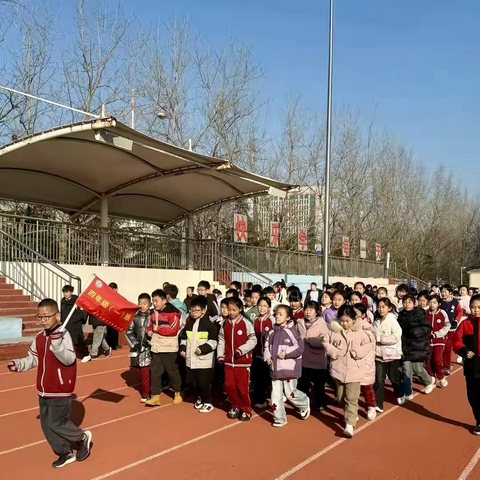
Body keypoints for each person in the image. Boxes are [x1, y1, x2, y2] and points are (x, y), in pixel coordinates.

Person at [7, 299, 92, 468]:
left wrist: (57, 344)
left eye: (47, 316)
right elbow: (33, 358)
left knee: (56, 422)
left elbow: (69, 360)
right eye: (40, 317)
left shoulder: (63, 335)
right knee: (46, 426)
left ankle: (81, 438)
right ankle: (64, 452)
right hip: (43, 390)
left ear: (57, 316)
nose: (43, 320)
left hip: (60, 389)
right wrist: (19, 364)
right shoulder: (39, 337)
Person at [322, 304, 374, 438]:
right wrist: (332, 351)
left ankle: (349, 424)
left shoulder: (359, 332)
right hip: (338, 371)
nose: (345, 324)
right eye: (342, 321)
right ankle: (351, 413)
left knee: (351, 398)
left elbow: (369, 343)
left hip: (355, 371)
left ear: (353, 320)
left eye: (348, 321)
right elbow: (325, 342)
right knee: (340, 397)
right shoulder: (333, 331)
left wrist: (358, 352)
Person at [263, 304, 310, 427]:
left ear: (288, 317)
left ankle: (304, 402)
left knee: (291, 394)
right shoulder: (271, 332)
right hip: (275, 370)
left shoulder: (291, 331)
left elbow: (300, 347)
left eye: (280, 314)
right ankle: (279, 418)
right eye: (276, 314)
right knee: (276, 396)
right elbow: (266, 347)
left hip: (289, 370)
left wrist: (286, 353)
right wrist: (267, 357)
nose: (277, 316)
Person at [217, 297, 257, 421]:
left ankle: (246, 409)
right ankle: (235, 406)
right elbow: (221, 340)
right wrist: (220, 354)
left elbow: (253, 340)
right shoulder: (225, 323)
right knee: (229, 386)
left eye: (234, 310)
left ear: (240, 309)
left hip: (243, 363)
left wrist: (241, 350)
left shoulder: (246, 323)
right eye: (229, 310)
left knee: (242, 389)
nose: (231, 312)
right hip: (229, 362)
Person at [179, 296, 218, 413]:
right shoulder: (189, 324)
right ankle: (200, 397)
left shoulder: (209, 325)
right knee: (192, 382)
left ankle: (208, 401)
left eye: (196, 310)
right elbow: (184, 339)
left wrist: (203, 348)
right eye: (192, 310)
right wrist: (182, 349)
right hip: (191, 359)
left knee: (203, 383)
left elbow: (214, 341)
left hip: (204, 360)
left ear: (203, 311)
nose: (194, 313)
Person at [145, 289, 183, 406]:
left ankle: (177, 393)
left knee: (172, 371)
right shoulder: (153, 313)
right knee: (155, 372)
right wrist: (149, 331)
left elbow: (173, 330)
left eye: (156, 301)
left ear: (164, 300)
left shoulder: (173, 313)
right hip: (156, 347)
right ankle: (155, 396)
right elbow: (149, 326)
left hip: (169, 348)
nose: (154, 303)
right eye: (153, 301)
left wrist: (158, 329)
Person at [397, 294, 434, 401]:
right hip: (406, 347)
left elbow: (427, 327)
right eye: (405, 302)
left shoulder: (419, 314)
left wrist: (416, 332)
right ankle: (408, 392)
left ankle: (428, 382)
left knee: (418, 368)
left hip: (418, 346)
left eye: (409, 302)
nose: (407, 304)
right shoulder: (401, 315)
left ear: (414, 303)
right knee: (406, 370)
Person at [452, 295, 480, 435]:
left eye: (479, 307)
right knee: (473, 396)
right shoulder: (465, 324)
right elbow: (456, 340)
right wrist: (464, 350)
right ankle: (479, 421)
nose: (476, 310)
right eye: (473, 307)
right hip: (471, 365)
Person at [372, 298, 404, 413]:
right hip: (378, 355)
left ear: (389, 308)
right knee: (379, 380)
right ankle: (378, 404)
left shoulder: (393, 321)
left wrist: (380, 339)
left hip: (392, 355)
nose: (381, 309)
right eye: (379, 307)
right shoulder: (375, 321)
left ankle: (400, 393)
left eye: (383, 307)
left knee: (393, 378)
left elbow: (396, 336)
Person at [300, 301, 329, 411]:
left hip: (318, 360)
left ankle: (321, 403)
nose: (308, 312)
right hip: (304, 359)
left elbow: (325, 341)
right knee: (303, 384)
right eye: (306, 309)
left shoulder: (322, 324)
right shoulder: (300, 322)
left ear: (316, 312)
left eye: (311, 310)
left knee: (318, 385)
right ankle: (304, 404)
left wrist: (310, 340)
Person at [125, 293, 153, 402]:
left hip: (150, 348)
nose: (142, 305)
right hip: (137, 349)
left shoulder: (154, 316)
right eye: (140, 303)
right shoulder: (135, 317)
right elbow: (129, 332)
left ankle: (146, 394)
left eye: (144, 303)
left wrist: (149, 342)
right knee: (138, 370)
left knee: (146, 372)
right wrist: (135, 343)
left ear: (149, 304)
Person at [353, 302, 377, 420]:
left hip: (365, 362)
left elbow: (369, 348)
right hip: (353, 363)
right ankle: (353, 411)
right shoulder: (350, 326)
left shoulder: (367, 328)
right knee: (353, 390)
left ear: (363, 315)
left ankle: (371, 406)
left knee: (366, 388)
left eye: (356, 313)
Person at [252, 297, 274, 408]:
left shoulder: (272, 320)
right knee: (257, 378)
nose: (262, 308)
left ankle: (274, 399)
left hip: (269, 355)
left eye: (265, 306)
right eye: (260, 305)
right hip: (256, 354)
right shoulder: (255, 320)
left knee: (268, 378)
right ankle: (261, 400)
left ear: (269, 308)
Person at [425, 294, 450, 388]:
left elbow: (447, 326)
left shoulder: (442, 313)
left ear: (439, 304)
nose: (432, 304)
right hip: (427, 341)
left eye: (434, 302)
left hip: (439, 340)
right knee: (428, 361)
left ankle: (441, 377)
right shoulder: (425, 313)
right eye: (430, 302)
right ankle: (432, 378)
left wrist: (436, 334)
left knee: (436, 360)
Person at [60, 285, 89, 362]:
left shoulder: (77, 300)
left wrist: (79, 319)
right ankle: (70, 354)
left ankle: (86, 354)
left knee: (79, 340)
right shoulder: (63, 301)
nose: (65, 294)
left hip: (76, 324)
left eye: (67, 292)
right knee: (67, 340)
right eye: (64, 292)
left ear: (71, 292)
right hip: (67, 324)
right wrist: (62, 321)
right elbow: (63, 312)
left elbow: (83, 312)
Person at [440, 284, 463, 375]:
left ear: (450, 293)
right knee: (439, 347)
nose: (443, 294)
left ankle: (446, 366)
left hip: (451, 328)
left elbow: (460, 312)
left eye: (445, 292)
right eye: (442, 292)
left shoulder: (455, 302)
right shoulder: (439, 301)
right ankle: (438, 364)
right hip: (440, 328)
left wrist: (456, 320)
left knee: (448, 346)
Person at [457, 285, 472, 365]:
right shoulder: (457, 299)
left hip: (466, 319)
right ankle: (461, 354)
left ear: (466, 291)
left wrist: (465, 309)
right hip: (459, 320)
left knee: (466, 338)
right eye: (460, 290)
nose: (461, 291)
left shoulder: (469, 299)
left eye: (463, 290)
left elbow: (471, 311)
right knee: (459, 338)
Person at [106, 282, 122, 350]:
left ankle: (110, 345)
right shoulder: (115, 296)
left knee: (109, 331)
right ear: (114, 289)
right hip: (114, 315)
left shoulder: (106, 296)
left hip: (108, 315)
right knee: (114, 331)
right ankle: (114, 345)